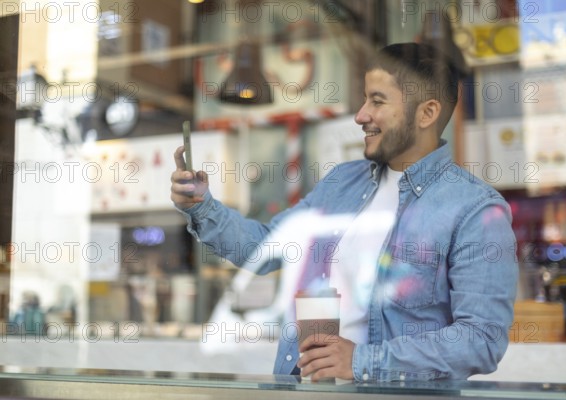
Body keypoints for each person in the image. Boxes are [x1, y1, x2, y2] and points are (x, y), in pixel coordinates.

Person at [171, 42, 518, 382]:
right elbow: (264, 249)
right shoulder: (341, 182)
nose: (360, 115)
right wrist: (202, 206)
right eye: (365, 98)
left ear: (427, 113)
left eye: (377, 101)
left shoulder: (475, 210)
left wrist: (362, 361)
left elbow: (480, 340)